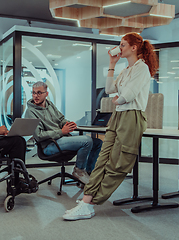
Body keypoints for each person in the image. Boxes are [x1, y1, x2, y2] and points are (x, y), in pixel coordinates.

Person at [63, 32, 159, 221]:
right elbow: (108, 90)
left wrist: (118, 100)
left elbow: (127, 96)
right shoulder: (125, 70)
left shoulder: (142, 69)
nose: (119, 48)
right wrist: (112, 65)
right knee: (103, 159)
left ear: (134, 47)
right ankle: (87, 200)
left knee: (118, 163)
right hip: (118, 116)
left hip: (132, 116)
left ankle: (89, 202)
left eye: (122, 45)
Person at [25, 81, 103, 184]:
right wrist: (61, 131)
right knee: (87, 141)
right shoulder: (30, 112)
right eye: (34, 93)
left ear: (46, 94)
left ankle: (87, 174)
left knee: (97, 143)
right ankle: (79, 171)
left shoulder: (49, 105)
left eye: (39, 93)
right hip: (49, 145)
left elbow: (60, 119)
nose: (36, 96)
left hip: (61, 139)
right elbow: (39, 136)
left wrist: (68, 123)